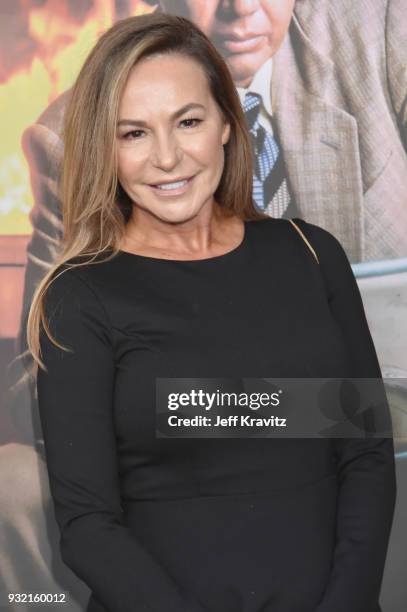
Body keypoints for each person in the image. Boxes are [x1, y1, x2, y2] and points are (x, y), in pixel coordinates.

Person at [26, 12, 396, 612]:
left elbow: (364, 456)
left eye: (188, 121)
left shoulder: (310, 255)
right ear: (105, 148)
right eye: (133, 134)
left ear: (227, 121)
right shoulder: (81, 295)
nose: (167, 158)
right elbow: (89, 526)